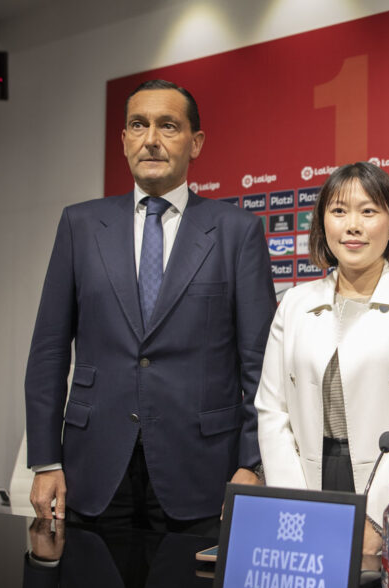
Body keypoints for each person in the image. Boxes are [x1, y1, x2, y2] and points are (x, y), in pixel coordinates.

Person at [25, 79, 274, 535]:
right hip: (92, 468)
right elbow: (48, 351)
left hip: (203, 473)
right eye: (138, 125)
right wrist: (45, 459)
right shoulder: (80, 225)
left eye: (168, 126)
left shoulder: (237, 232)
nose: (151, 139)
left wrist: (252, 465)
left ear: (195, 143)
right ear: (123, 140)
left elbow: (261, 367)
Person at [255, 162, 389, 556]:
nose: (352, 225)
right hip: (313, 482)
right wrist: (295, 504)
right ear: (323, 226)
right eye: (339, 211)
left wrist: (380, 515)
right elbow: (272, 412)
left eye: (368, 211)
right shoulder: (294, 304)